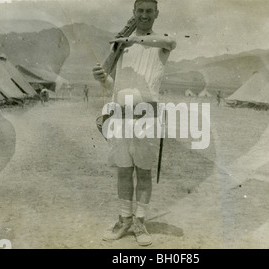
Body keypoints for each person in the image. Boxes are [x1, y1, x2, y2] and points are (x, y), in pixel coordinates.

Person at [92, 0, 176, 246]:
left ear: (156, 14)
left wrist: (130, 40)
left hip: (146, 117)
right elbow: (114, 86)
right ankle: (124, 220)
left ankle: (140, 222)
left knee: (144, 172)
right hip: (120, 117)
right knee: (124, 172)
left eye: (149, 11)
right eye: (140, 11)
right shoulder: (121, 48)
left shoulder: (160, 42)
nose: (144, 15)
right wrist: (102, 79)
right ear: (134, 13)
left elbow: (170, 43)